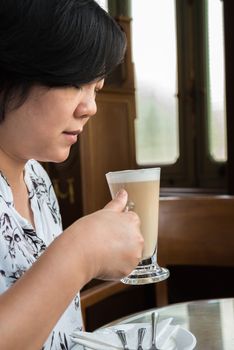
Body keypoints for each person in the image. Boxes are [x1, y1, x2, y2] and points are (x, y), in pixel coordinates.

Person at [0, 1, 144, 349]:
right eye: (74, 83)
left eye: (94, 88)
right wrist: (81, 253)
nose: (90, 107)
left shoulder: (37, 179)